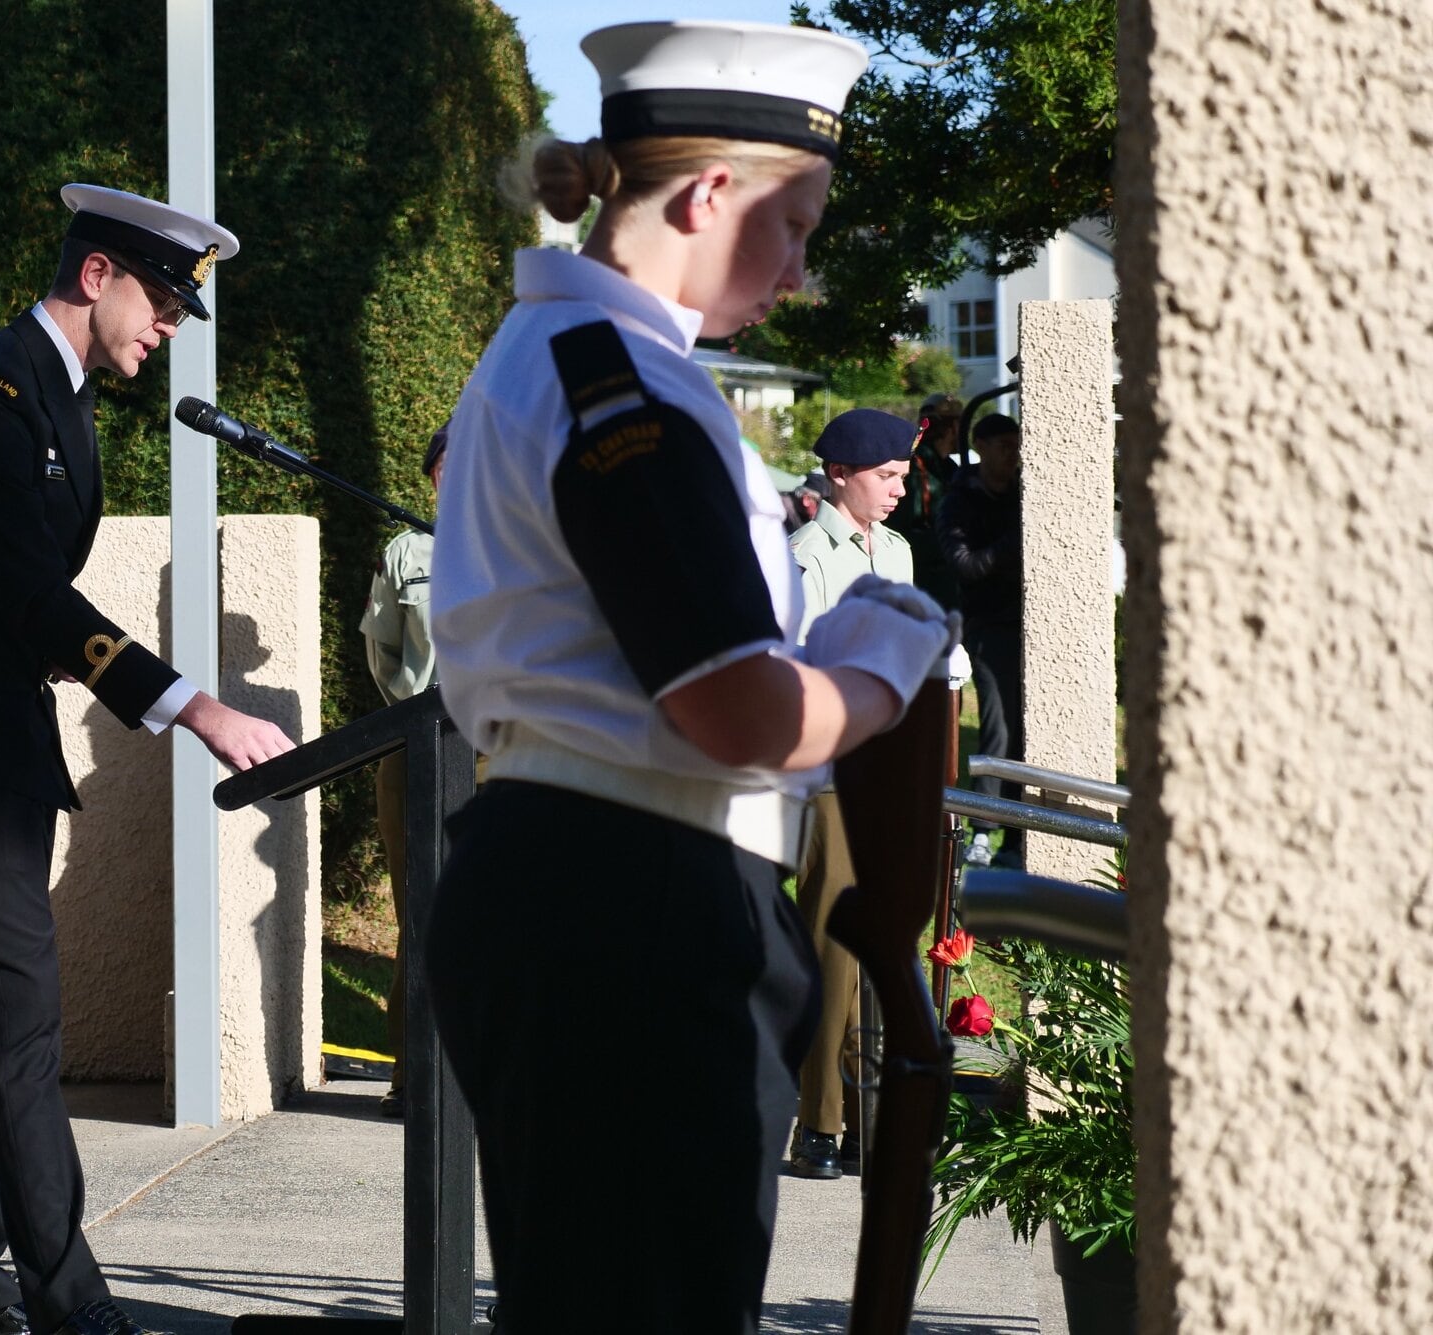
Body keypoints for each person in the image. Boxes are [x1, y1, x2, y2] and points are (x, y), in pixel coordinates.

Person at [423, 23, 958, 1332]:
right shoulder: (626, 387)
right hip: (633, 897)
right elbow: (734, 710)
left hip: (587, 879)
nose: (802, 267)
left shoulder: (571, 356)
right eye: (798, 223)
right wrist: (884, 658)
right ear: (714, 193)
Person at [0, 184, 293, 1335]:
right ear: (97, 276)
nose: (173, 328)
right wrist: (192, 707)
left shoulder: (58, 394)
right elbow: (34, 596)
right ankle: (69, 1304)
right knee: (24, 1016)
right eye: (164, 300)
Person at [782, 408, 915, 1181]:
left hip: (889, 770)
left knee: (882, 948)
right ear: (840, 476)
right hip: (834, 773)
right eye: (886, 476)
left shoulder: (895, 552)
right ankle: (820, 1119)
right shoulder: (806, 556)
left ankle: (868, 1114)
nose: (899, 490)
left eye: (902, 476)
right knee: (832, 947)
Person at [358, 423, 446, 1120]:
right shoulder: (406, 553)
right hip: (416, 744)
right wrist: (413, 717)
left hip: (502, 748)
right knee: (418, 908)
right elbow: (382, 653)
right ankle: (414, 1071)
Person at [940, 412, 1025, 870]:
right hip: (989, 626)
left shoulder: (1020, 492)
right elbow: (966, 565)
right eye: (1004, 446)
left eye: (1016, 446)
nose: (1013, 455)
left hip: (1027, 622)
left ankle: (1015, 835)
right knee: (999, 724)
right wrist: (1016, 541)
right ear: (980, 446)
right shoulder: (960, 500)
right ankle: (983, 831)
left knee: (1027, 728)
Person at [891, 391, 965, 610]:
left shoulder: (950, 468)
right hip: (926, 576)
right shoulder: (915, 467)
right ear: (949, 427)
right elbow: (906, 525)